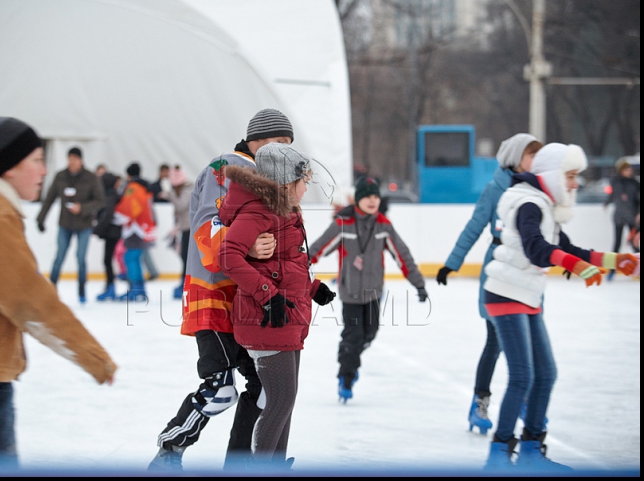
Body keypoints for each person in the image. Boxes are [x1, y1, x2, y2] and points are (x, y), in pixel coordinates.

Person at [0, 117, 116, 470]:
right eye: (38, 160)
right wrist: (94, 357)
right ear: (9, 167)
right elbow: (31, 301)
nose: (45, 170)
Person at [148, 108, 290, 471]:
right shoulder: (226, 168)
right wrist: (247, 246)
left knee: (264, 388)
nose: (283, 151)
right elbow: (205, 227)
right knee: (220, 388)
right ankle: (169, 448)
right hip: (212, 293)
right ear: (255, 140)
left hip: (247, 298)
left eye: (288, 145)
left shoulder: (269, 179)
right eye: (276, 142)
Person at [482, 143, 638, 470]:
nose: (574, 184)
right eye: (569, 176)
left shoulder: (543, 204)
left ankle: (530, 451)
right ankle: (498, 457)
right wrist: (576, 266)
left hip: (527, 295)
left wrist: (614, 260)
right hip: (506, 294)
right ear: (552, 175)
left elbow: (565, 247)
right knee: (523, 376)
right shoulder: (528, 203)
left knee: (546, 374)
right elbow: (536, 248)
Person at [218, 143, 336, 467]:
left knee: (284, 399)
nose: (307, 185)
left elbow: (289, 263)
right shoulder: (260, 210)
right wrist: (268, 295)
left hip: (287, 316)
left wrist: (313, 288)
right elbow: (227, 256)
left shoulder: (286, 210)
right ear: (285, 182)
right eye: (304, 179)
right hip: (266, 318)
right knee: (279, 400)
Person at [435, 133, 542, 434]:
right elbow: (474, 226)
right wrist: (451, 263)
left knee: (528, 343)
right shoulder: (495, 189)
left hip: (528, 273)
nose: (536, 161)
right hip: (498, 271)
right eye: (531, 155)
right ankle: (479, 402)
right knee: (496, 343)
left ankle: (524, 402)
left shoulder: (539, 190)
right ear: (515, 157)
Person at [309, 176, 428, 403]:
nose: (372, 201)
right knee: (354, 336)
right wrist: (297, 268)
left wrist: (418, 284)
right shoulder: (344, 223)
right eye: (368, 197)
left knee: (369, 333)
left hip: (374, 292)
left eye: (376, 196)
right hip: (351, 293)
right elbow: (317, 248)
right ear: (359, 200)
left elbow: (402, 255)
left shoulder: (383, 224)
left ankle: (347, 356)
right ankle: (346, 376)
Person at [36, 146, 104, 303]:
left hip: (84, 225)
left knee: (80, 258)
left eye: (74, 159)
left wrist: (82, 208)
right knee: (59, 256)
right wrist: (41, 218)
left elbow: (100, 201)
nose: (71, 162)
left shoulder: (91, 177)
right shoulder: (61, 176)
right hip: (65, 224)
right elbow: (50, 198)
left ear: (80, 160)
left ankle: (81, 290)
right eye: (69, 159)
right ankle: (51, 289)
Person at [113, 163, 157, 301]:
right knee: (135, 259)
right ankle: (140, 290)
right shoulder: (145, 188)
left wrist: (116, 217)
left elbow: (130, 207)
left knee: (130, 258)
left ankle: (135, 289)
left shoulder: (133, 188)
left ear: (129, 175)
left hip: (135, 228)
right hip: (143, 227)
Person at [604, 158, 640, 280]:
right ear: (621, 170)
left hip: (631, 216)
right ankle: (612, 270)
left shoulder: (634, 183)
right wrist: (606, 203)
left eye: (630, 169)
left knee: (634, 243)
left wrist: (638, 213)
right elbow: (612, 194)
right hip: (619, 216)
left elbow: (638, 200)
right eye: (626, 169)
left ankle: (638, 267)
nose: (629, 171)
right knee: (617, 243)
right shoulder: (616, 182)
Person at [94, 172, 123, 301]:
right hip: (112, 232)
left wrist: (97, 229)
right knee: (108, 260)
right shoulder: (110, 195)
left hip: (112, 233)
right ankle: (110, 286)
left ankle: (111, 287)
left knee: (107, 260)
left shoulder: (110, 196)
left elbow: (108, 215)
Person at [167, 166, 193, 299]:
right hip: (185, 228)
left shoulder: (187, 190)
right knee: (185, 257)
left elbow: (181, 205)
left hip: (190, 228)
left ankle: (186, 283)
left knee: (186, 257)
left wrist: (170, 196)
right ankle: (184, 282)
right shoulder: (184, 190)